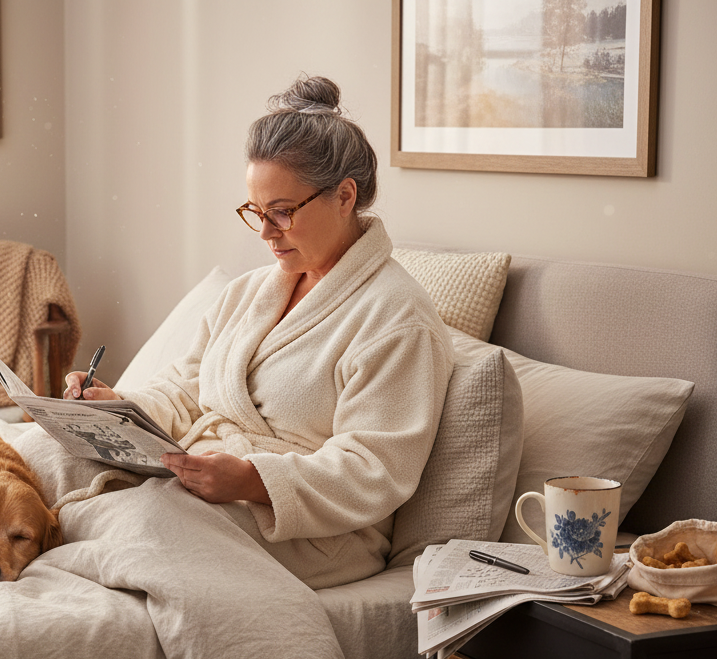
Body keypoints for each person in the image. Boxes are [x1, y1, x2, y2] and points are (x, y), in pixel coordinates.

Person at [57, 75, 454, 589]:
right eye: (256, 212)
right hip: (209, 478)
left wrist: (255, 480)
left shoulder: (397, 321)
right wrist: (118, 407)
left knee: (140, 522)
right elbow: (187, 385)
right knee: (48, 457)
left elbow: (372, 469)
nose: (265, 232)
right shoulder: (251, 292)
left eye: (282, 213)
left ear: (345, 196)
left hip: (311, 531)